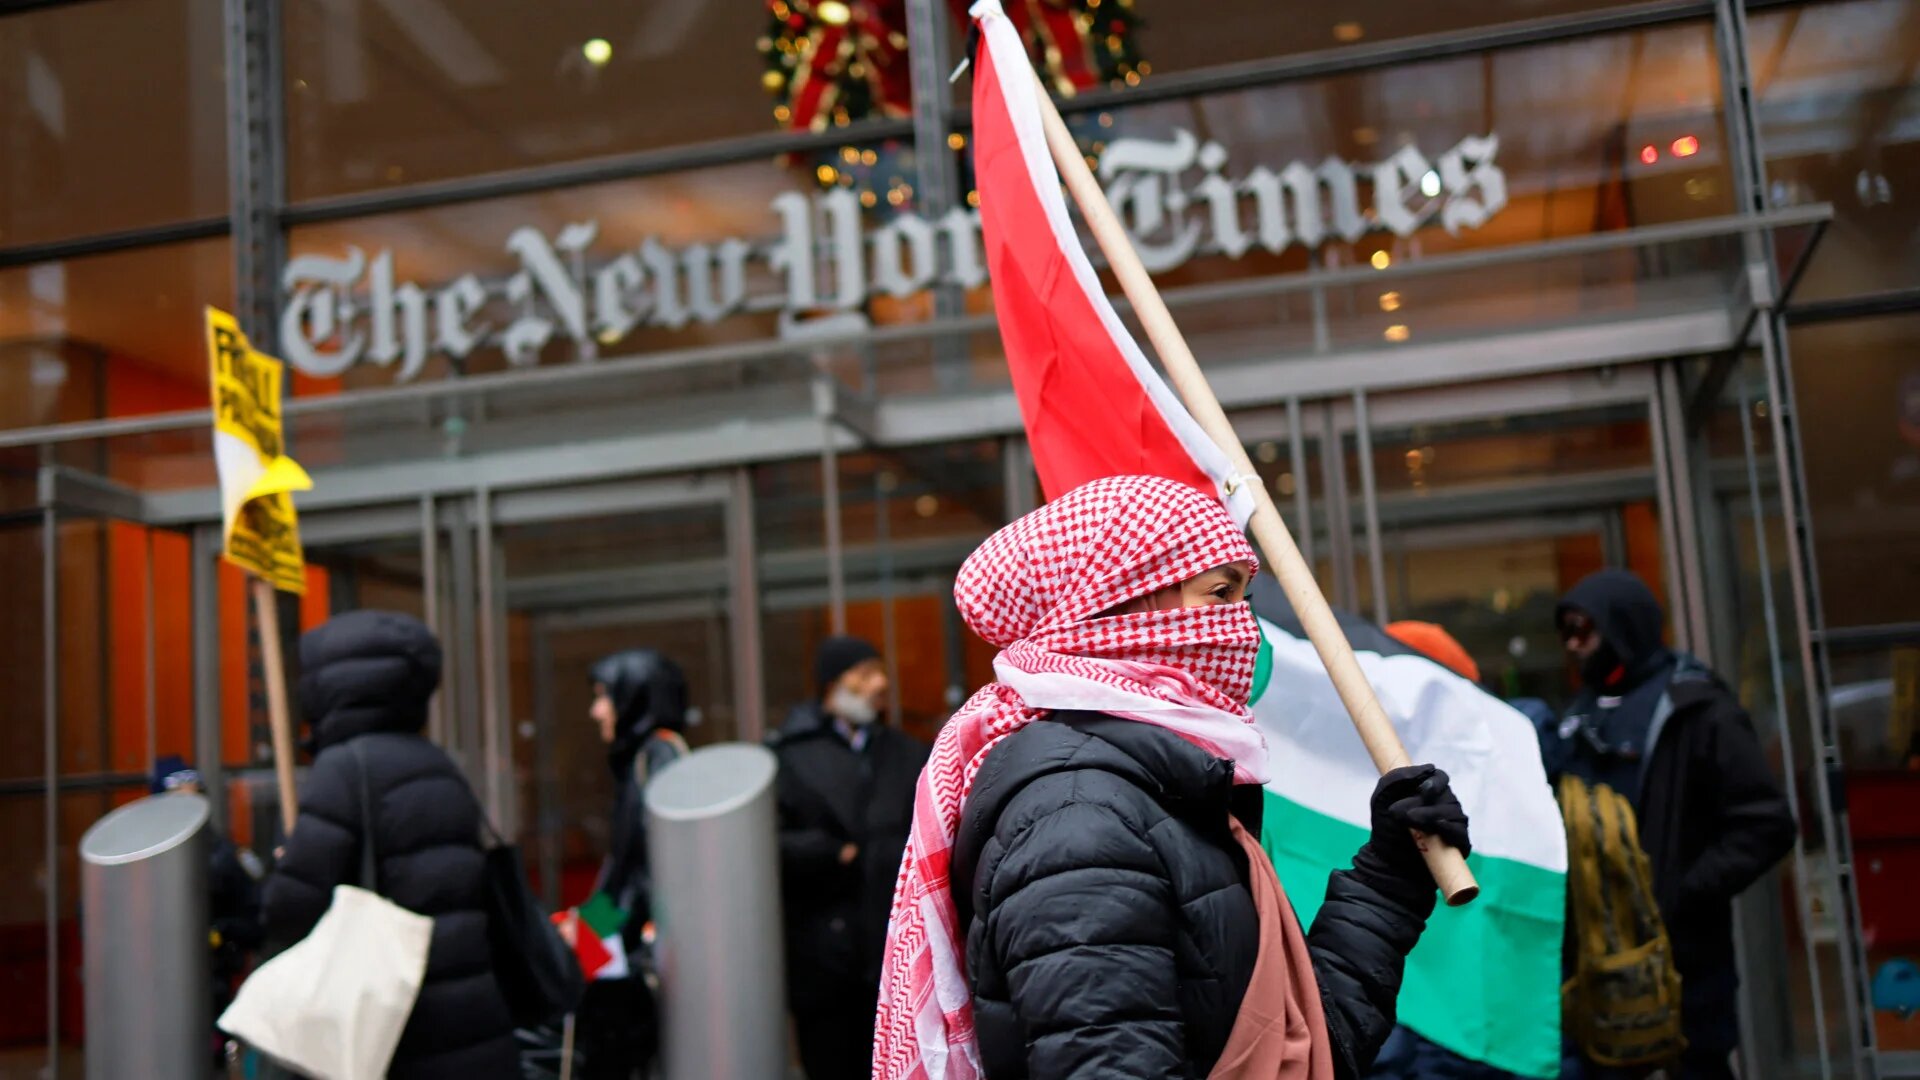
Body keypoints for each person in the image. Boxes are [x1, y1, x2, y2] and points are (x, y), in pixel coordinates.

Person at [873, 475, 1471, 1080]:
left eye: (1244, 598)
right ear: (1126, 604)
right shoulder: (1078, 818)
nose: (1243, 628)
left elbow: (1296, 1047)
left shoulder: (1156, 789)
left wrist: (1389, 877)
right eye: (1220, 594)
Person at [1547, 569, 1796, 1079]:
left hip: (1684, 963)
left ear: (1622, 628)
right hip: (1599, 963)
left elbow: (1766, 823)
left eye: (1584, 631)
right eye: (1566, 633)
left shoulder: (1696, 709)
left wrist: (1680, 892)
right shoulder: (1578, 717)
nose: (1573, 647)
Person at [262, 610, 517, 1079]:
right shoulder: (440, 765)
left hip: (396, 1039)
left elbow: (290, 910)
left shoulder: (343, 769)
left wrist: (283, 867)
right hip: (470, 1030)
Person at [771, 634, 930, 1080]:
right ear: (830, 685)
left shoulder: (906, 751)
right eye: (863, 675)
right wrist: (830, 852)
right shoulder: (791, 756)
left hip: (895, 953)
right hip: (825, 961)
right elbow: (767, 846)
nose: (880, 684)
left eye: (880, 672)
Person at [575, 649, 693, 1079]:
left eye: (605, 696)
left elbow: (640, 873)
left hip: (643, 948)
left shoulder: (659, 757)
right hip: (629, 940)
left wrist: (594, 933)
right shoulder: (644, 759)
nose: (597, 710)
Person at [152, 756, 264, 1071]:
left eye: (195, 799)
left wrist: (220, 933)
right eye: (177, 803)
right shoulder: (142, 861)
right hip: (154, 994)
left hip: (209, 990)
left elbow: (257, 922)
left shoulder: (225, 860)